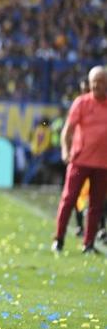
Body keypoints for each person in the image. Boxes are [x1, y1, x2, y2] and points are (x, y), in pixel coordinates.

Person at [53, 66, 107, 254]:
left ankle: (89, 243)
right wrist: (66, 151)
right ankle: (58, 239)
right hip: (80, 160)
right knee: (69, 198)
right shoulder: (81, 103)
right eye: (94, 81)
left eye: (100, 81)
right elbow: (68, 129)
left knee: (96, 205)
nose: (96, 85)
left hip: (103, 164)